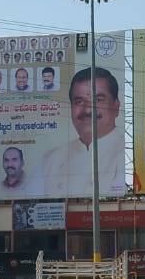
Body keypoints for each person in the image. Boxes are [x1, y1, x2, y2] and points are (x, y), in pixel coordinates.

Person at [42, 67, 127, 197]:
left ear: (116, 106)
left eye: (98, 100)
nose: (88, 110)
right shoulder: (51, 160)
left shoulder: (125, 155)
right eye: (79, 101)